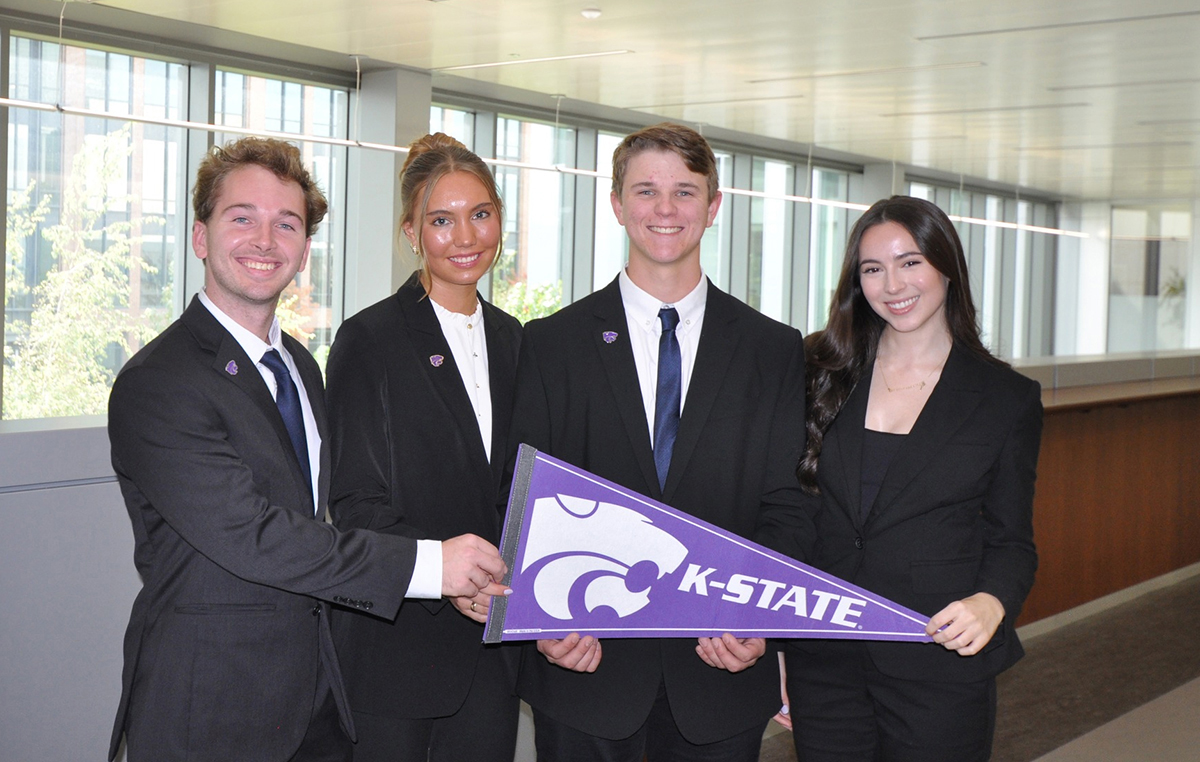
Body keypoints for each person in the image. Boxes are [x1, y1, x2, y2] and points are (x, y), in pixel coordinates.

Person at [106, 136, 508, 762]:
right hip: (210, 706)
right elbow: (252, 535)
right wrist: (430, 567)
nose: (264, 241)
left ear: (303, 250)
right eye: (242, 218)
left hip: (318, 700)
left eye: (285, 224)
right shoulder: (160, 383)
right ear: (199, 236)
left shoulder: (298, 364)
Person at [507, 122, 809, 761]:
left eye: (684, 191)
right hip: (586, 666)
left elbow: (789, 503)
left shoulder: (773, 349)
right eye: (645, 191)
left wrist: (759, 620)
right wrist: (545, 617)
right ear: (616, 204)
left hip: (721, 667)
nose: (665, 210)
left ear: (714, 205)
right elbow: (526, 496)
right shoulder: (551, 344)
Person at [785, 195, 1043, 761]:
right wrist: (779, 646)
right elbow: (792, 512)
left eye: (910, 262)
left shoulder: (1005, 398)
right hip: (824, 658)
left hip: (936, 654)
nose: (892, 284)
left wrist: (992, 601)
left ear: (946, 266)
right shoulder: (818, 370)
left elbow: (1011, 541)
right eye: (872, 269)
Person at [324, 133, 522, 761]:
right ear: (411, 230)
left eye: (480, 215)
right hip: (399, 654)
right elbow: (356, 500)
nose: (466, 237)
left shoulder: (516, 340)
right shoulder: (370, 340)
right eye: (442, 220)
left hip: (492, 659)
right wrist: (443, 573)